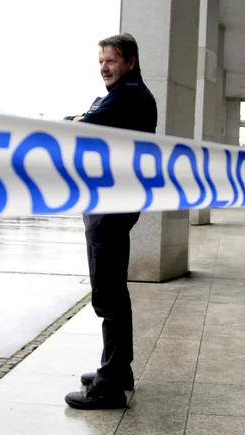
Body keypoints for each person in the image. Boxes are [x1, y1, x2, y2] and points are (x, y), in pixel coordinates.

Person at [63, 33, 157, 410]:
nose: (104, 67)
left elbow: (78, 128)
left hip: (110, 207)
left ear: (130, 62)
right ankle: (118, 368)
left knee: (108, 295)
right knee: (114, 290)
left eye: (111, 61)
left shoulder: (128, 97)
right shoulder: (126, 96)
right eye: (101, 61)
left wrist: (77, 118)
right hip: (112, 203)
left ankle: (110, 385)